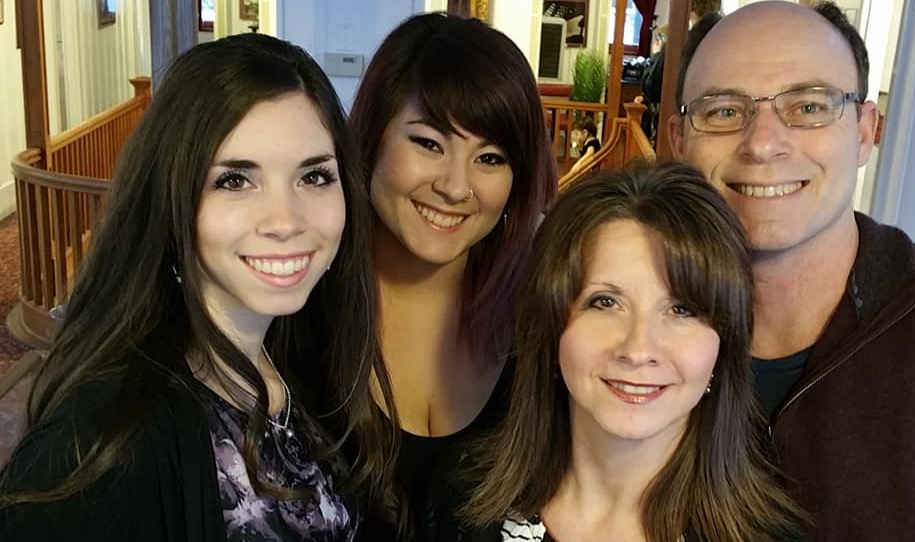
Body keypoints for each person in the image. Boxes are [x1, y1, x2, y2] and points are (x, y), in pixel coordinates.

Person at [0, 33, 386, 541]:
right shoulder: (106, 443)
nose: (286, 221)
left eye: (314, 176)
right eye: (234, 180)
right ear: (170, 200)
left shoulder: (300, 352)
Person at [668, 1, 915, 539]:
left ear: (865, 131)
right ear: (678, 140)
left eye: (809, 106)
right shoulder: (622, 330)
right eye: (724, 111)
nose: (762, 144)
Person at [457, 161, 806, 542]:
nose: (638, 349)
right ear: (551, 327)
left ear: (724, 346)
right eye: (605, 302)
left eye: (681, 310)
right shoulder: (456, 504)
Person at [349, 12, 557, 540]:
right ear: (373, 136)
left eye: (490, 158)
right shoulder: (295, 318)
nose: (456, 187)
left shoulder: (541, 330)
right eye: (429, 144)